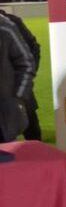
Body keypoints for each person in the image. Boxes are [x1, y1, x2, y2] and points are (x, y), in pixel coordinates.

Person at [0, 9, 41, 140]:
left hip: (15, 91)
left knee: (31, 127)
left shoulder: (9, 24)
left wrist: (23, 85)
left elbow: (32, 50)